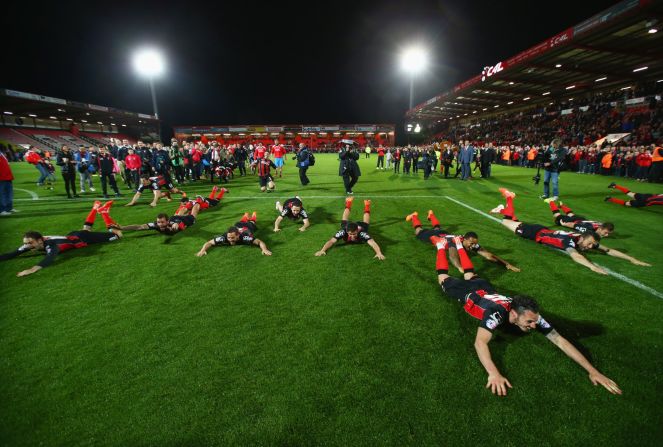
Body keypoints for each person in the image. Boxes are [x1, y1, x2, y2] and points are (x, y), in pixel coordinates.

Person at [432, 236, 621, 396]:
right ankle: (442, 246)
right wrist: (494, 374)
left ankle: (457, 245)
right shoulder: (496, 314)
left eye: (534, 321)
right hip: (470, 295)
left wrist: (593, 371)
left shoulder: (530, 315)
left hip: (485, 289)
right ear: (513, 314)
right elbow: (480, 343)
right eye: (529, 322)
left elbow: (560, 341)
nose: (533, 326)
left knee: (470, 273)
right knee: (444, 277)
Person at [491, 188, 650, 274]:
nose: (589, 247)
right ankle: (509, 197)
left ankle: (502, 208)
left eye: (591, 245)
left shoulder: (586, 239)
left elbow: (609, 250)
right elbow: (575, 256)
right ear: (582, 238)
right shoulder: (570, 242)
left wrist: (631, 259)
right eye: (588, 244)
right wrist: (592, 266)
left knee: (510, 220)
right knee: (505, 221)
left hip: (541, 230)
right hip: (534, 233)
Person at [0, 201, 121, 276]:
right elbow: (13, 254)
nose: (27, 245)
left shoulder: (51, 245)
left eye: (30, 243)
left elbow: (50, 258)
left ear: (40, 240)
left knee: (118, 235)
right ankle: (95, 208)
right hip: (73, 235)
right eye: (26, 243)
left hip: (83, 239)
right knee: (85, 229)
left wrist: (32, 270)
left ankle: (103, 211)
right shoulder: (35, 243)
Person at [406, 209, 520, 272]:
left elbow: (489, 255)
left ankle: (431, 215)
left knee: (437, 228)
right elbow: (452, 255)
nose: (472, 246)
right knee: (419, 231)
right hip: (433, 237)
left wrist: (506, 264)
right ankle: (414, 216)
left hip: (444, 234)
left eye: (474, 244)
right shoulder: (456, 242)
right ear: (465, 239)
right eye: (471, 244)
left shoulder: (470, 243)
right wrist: (460, 267)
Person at [117, 186, 226, 236]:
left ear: (167, 221)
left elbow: (175, 226)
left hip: (188, 220)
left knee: (195, 210)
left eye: (162, 222)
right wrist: (122, 227)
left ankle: (197, 201)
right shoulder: (157, 225)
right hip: (176, 217)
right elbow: (139, 227)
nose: (159, 224)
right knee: (182, 210)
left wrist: (174, 226)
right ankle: (196, 201)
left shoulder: (173, 225)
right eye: (159, 222)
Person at [315, 197, 385, 259]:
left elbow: (372, 243)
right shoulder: (343, 231)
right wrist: (322, 250)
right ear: (347, 231)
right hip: (348, 225)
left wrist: (379, 253)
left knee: (366, 224)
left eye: (354, 234)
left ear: (357, 231)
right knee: (344, 220)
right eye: (350, 234)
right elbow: (331, 241)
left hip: (359, 225)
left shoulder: (362, 232)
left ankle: (367, 205)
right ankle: (349, 202)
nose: (352, 236)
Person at [196, 211, 272, 256]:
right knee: (240, 222)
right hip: (238, 225)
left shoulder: (244, 237)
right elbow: (209, 242)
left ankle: (253, 214)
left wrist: (264, 249)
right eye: (229, 237)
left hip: (247, 227)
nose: (230, 239)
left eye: (232, 238)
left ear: (238, 235)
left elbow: (259, 242)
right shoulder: (224, 238)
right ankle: (245, 215)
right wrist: (202, 250)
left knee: (252, 221)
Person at [546, 200, 614, 236]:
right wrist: (564, 224)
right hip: (574, 221)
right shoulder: (589, 229)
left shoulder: (601, 225)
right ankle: (551, 201)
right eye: (605, 232)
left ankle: (561, 205)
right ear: (600, 228)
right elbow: (573, 225)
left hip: (581, 219)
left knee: (571, 214)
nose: (607, 235)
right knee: (557, 216)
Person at [0, 149, 15, 216]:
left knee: (9, 193)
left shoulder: (2, 154)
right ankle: (2, 210)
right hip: (1, 177)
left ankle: (9, 208)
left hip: (7, 176)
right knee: (2, 194)